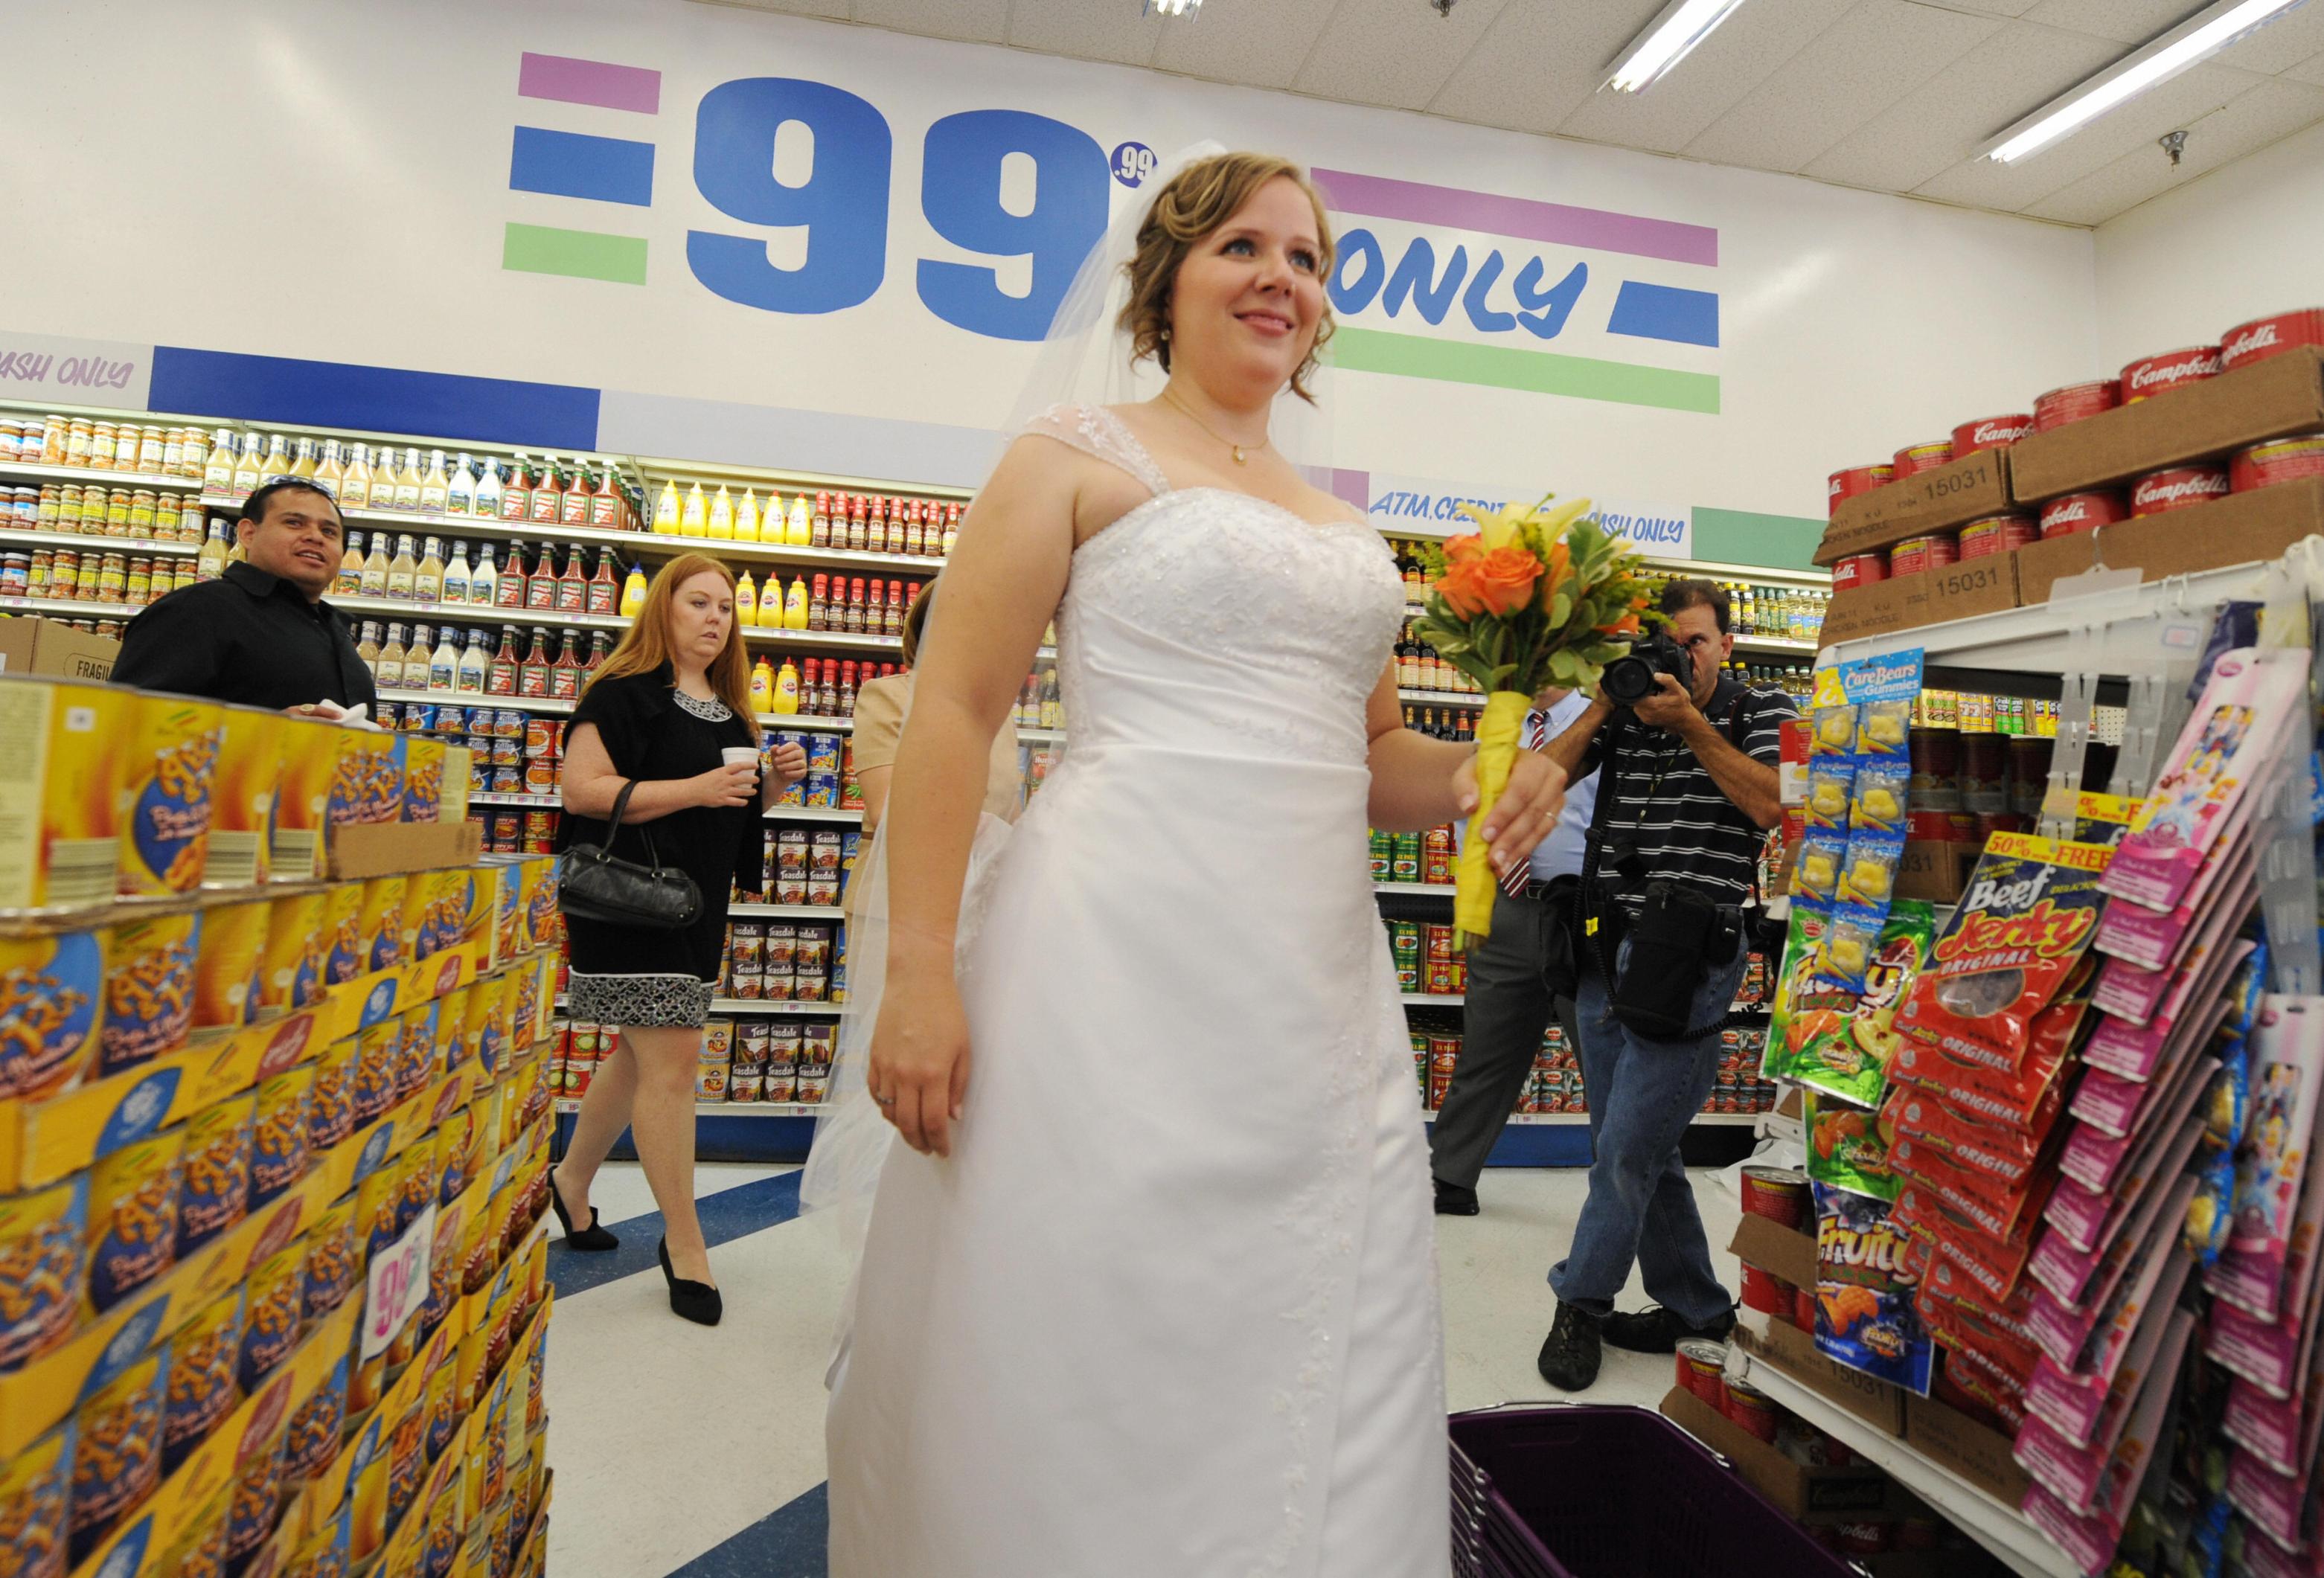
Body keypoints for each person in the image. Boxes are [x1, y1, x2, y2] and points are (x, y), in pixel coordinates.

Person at [819, 151, 1563, 1576]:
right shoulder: (1071, 455)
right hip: (1108, 949)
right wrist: (919, 968)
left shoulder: (1345, 528)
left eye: (1306, 258)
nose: (1279, 276)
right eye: (1241, 246)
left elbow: (1371, 759)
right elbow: (957, 712)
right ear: (1166, 281)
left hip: (1308, 980)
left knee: (1296, 1306)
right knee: (1090, 1291)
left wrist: (1478, 774)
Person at [1533, 578, 1794, 1392]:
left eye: (1696, 642)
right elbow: (1540, 777)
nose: (1679, 659)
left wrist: (1689, 724)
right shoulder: (1629, 713)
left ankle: (1581, 1299)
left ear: (1727, 645)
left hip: (1692, 955)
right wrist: (1607, 703)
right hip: (1605, 947)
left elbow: (1771, 807)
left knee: (1623, 1150)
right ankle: (1698, 1309)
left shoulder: (1762, 708)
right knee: (1641, 1147)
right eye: (1665, 645)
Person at [548, 552, 807, 1326]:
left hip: (695, 909)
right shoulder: (621, 695)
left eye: (725, 608)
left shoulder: (730, 712)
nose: (714, 618)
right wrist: (698, 789)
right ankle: (686, 1243)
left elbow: (719, 814)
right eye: (699, 603)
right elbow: (581, 791)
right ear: (663, 609)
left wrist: (772, 787)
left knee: (640, 1054)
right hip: (630, 905)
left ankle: (569, 1182)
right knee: (672, 1061)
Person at [1428, 684, 1598, 1216]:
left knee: (1607, 1056)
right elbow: (1467, 810)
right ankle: (1447, 1176)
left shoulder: (1600, 722)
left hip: (1582, 911)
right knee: (1487, 1048)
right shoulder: (1497, 727)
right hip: (1507, 904)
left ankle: (1632, 1187)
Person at [111, 477, 377, 713]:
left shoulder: (331, 627)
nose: (315, 537)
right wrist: (269, 733)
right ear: (248, 533)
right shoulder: (197, 610)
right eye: (294, 523)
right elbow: (128, 722)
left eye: (329, 531)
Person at [848, 574, 1023, 843]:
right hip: (903, 875)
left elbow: (1010, 812)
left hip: (984, 878)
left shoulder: (1000, 713)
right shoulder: (890, 695)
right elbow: (887, 811)